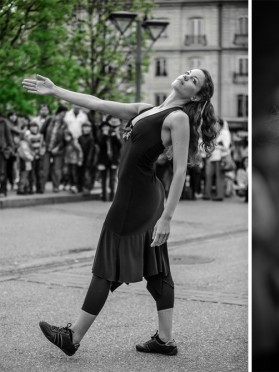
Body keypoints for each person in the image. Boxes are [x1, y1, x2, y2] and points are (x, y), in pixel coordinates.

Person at [22, 69, 218, 357]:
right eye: (188, 73)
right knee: (156, 267)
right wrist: (56, 90)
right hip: (137, 197)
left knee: (107, 266)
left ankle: (73, 336)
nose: (186, 77)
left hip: (137, 201)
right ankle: (165, 341)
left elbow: (179, 173)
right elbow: (98, 103)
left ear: (198, 95)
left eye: (194, 80)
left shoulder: (177, 118)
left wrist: (167, 218)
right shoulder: (147, 109)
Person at [40, 105, 69, 193]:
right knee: (45, 168)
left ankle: (56, 187)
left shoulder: (64, 124)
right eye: (64, 113)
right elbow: (42, 132)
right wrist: (42, 143)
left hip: (58, 150)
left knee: (57, 169)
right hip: (46, 148)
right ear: (59, 112)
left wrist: (57, 147)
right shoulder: (49, 120)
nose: (64, 115)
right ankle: (41, 187)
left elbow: (65, 139)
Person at [96, 117, 122, 201]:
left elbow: (119, 146)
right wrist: (104, 134)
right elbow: (100, 144)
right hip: (103, 160)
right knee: (103, 179)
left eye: (107, 127)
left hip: (113, 160)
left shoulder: (113, 134)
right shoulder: (100, 135)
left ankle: (112, 196)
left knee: (112, 179)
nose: (106, 128)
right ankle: (104, 196)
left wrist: (115, 136)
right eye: (104, 127)